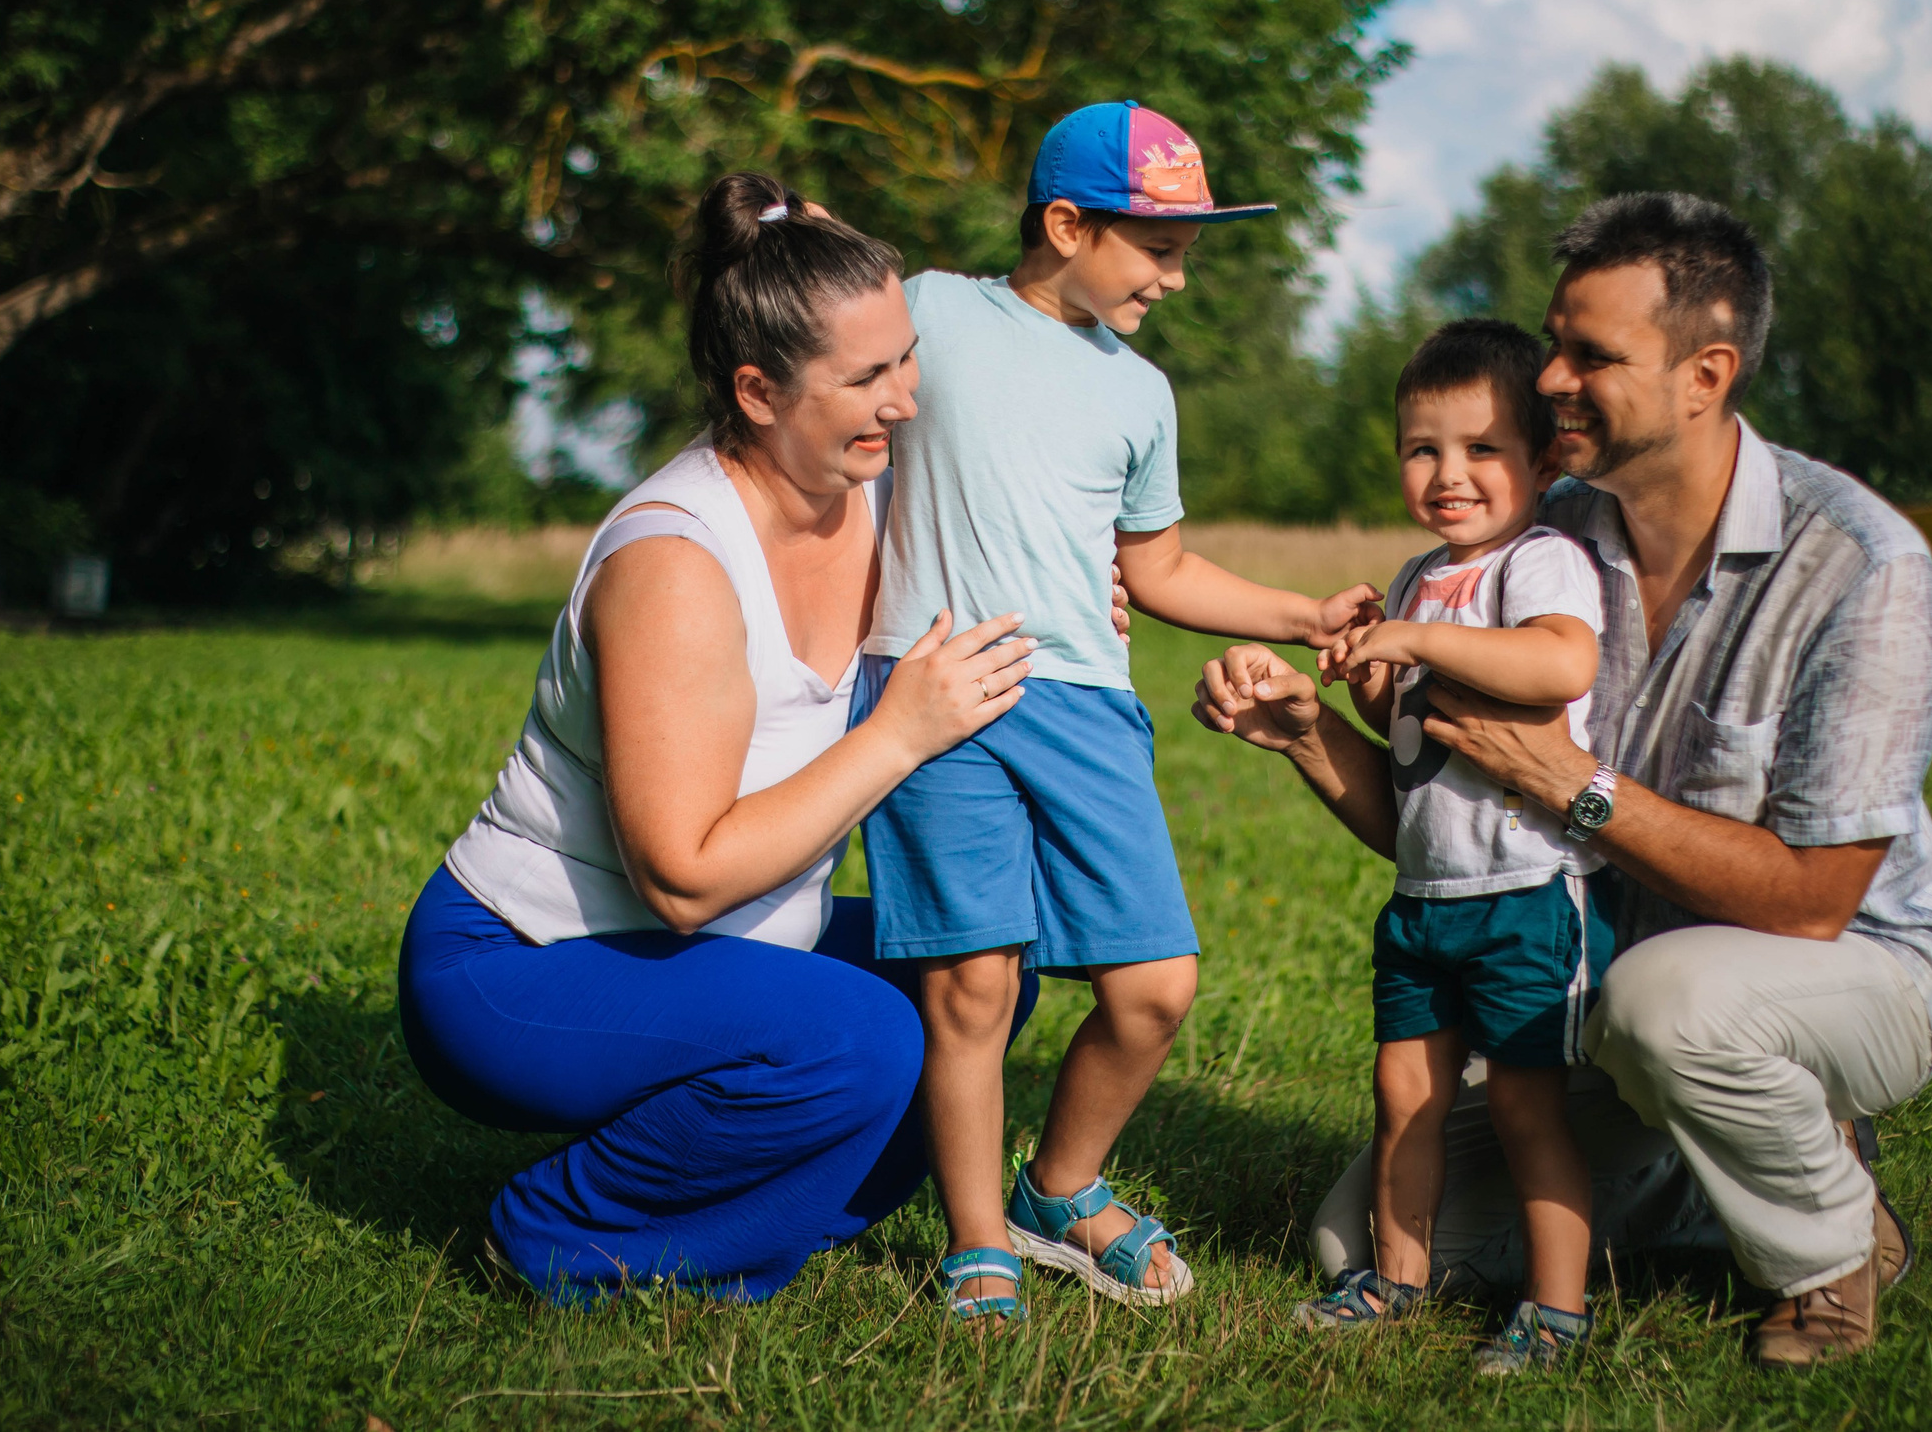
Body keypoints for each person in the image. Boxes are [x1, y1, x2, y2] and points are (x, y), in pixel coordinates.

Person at [1196, 191, 1932, 1369]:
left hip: (1846, 971)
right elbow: (1451, 833)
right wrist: (1309, 733)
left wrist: (1570, 781)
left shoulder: (1857, 563)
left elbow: (1816, 898)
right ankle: (1698, 1179)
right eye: (1553, 342)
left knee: (1671, 1008)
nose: (1550, 379)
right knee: (1348, 1234)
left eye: (1589, 355)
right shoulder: (1534, 533)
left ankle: (1830, 1252)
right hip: (1588, 970)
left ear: (1704, 374)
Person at [396, 173, 1054, 1303]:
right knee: (857, 1038)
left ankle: (762, 1225)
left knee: (975, 964)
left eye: (906, 357)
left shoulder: (873, 498)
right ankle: (557, 1234)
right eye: (864, 377)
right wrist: (898, 734)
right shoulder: (675, 563)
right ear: (757, 390)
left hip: (729, 947)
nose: (905, 398)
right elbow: (685, 881)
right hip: (522, 960)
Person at [853, 101, 1381, 1323]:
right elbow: (815, 315)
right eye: (1158, 245)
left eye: (1188, 247)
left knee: (1155, 985)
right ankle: (975, 1242)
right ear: (1064, 223)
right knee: (972, 986)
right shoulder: (929, 310)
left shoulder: (1141, 394)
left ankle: (1059, 1185)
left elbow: (1158, 570)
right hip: (940, 693)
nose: (1177, 276)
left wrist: (1305, 614)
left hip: (1087, 705)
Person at [1290, 318, 1610, 1373]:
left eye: (1480, 449)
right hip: (1428, 895)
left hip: (1525, 890)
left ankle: (1556, 1307)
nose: (1448, 474)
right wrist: (1374, 682)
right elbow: (1411, 741)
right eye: (1422, 449)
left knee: (1522, 1107)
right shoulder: (1422, 573)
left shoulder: (1542, 560)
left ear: (1542, 458)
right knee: (1404, 1098)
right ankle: (1394, 1281)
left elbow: (1558, 667)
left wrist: (1417, 639)